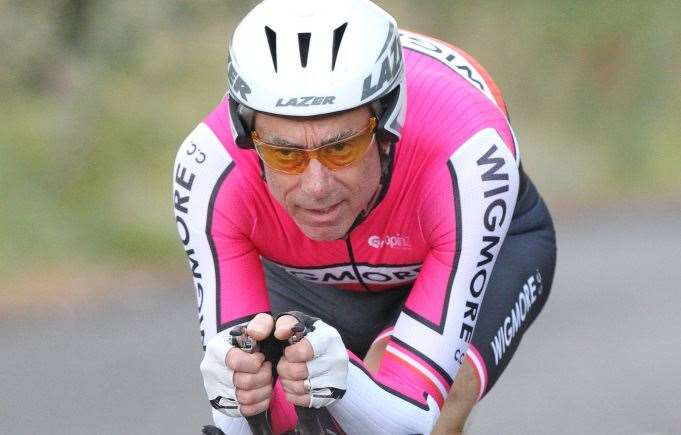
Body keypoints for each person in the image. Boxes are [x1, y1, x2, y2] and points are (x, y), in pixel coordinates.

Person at [172, 0, 556, 433]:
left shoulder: (468, 155)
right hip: (301, 280)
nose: (316, 187)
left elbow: (409, 419)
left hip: (458, 249)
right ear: (248, 138)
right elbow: (240, 420)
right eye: (284, 154)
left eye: (341, 148)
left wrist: (344, 382)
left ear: (389, 123)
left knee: (429, 411)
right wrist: (251, 398)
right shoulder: (211, 168)